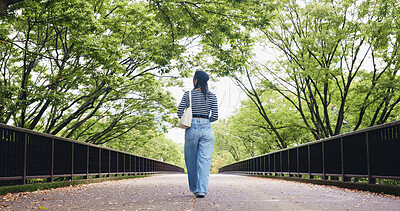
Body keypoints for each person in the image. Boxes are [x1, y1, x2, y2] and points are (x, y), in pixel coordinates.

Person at [177, 70, 218, 198]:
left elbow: (179, 112)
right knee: (205, 161)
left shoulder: (188, 94)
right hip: (207, 128)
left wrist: (191, 120)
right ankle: (201, 190)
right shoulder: (212, 96)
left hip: (191, 128)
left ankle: (194, 188)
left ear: (195, 80)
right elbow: (215, 116)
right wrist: (205, 121)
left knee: (191, 160)